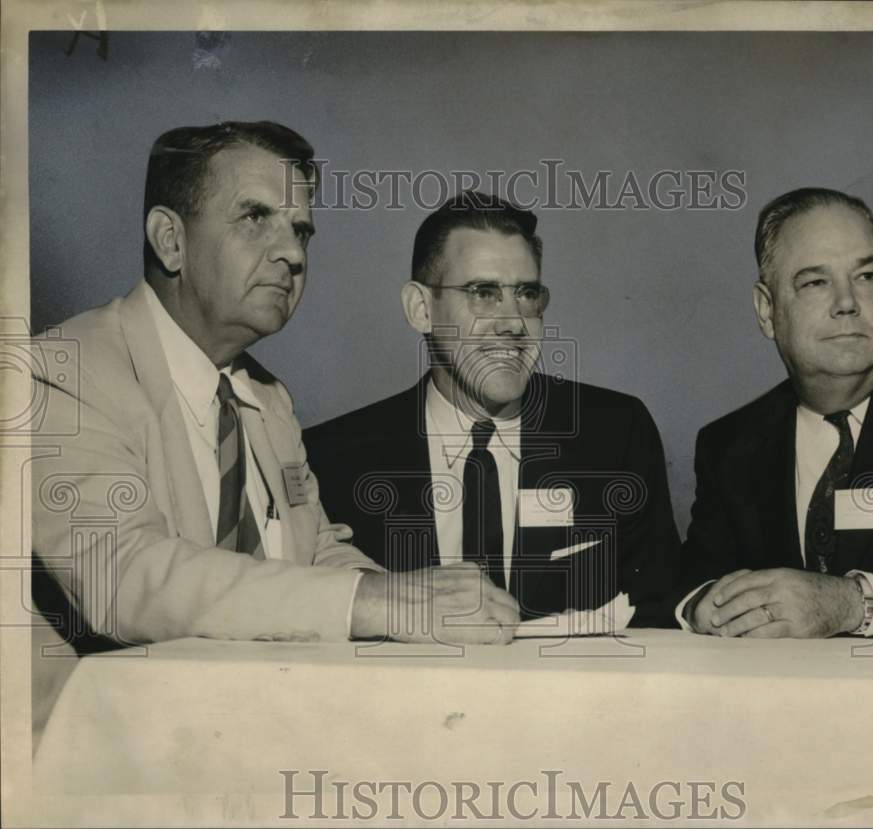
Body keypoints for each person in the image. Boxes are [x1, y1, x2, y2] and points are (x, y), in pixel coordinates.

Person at [31, 123, 519, 654]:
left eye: (301, 230)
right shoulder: (60, 372)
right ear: (171, 240)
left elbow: (317, 552)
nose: (293, 253)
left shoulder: (267, 398)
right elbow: (122, 576)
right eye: (256, 217)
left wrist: (420, 602)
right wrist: (374, 600)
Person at [304, 192, 681, 624]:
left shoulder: (616, 433)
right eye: (482, 293)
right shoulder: (333, 458)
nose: (513, 323)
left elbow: (660, 610)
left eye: (526, 294)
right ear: (421, 309)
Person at [672, 187, 873, 639]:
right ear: (767, 310)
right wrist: (706, 606)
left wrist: (852, 604)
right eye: (815, 282)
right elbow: (691, 583)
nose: (847, 302)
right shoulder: (730, 445)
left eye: (867, 276)